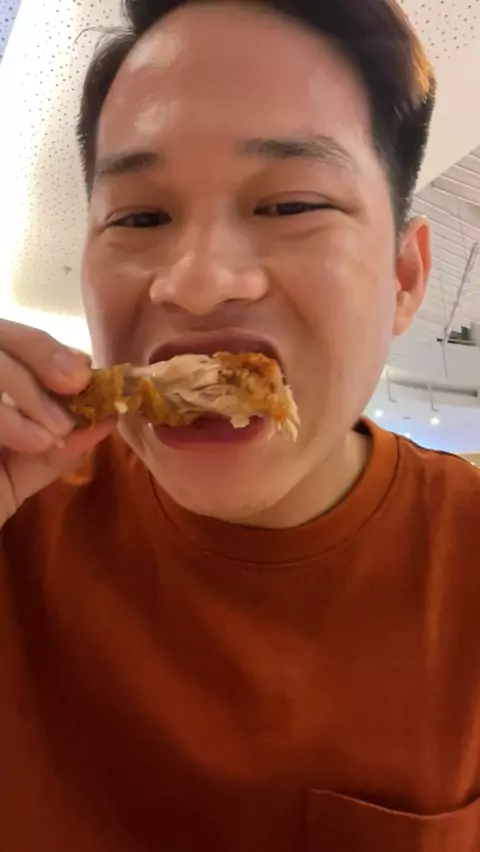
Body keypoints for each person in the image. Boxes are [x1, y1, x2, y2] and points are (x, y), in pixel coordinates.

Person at [1, 0, 480, 849]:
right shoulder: (19, 514)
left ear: (404, 279)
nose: (195, 283)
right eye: (139, 218)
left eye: (291, 205)